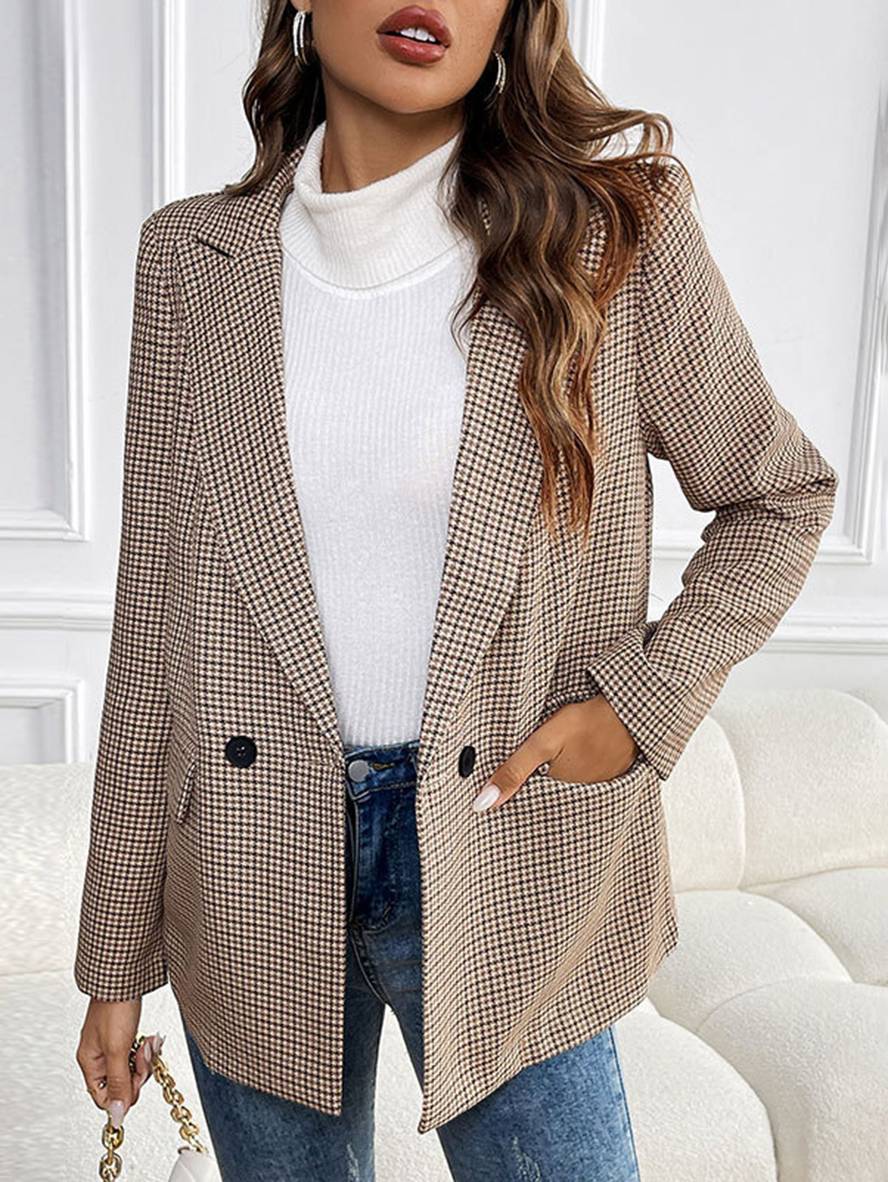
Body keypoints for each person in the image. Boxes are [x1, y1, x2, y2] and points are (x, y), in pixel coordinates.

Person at [74, 1, 839, 1178]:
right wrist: (115, 963)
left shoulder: (612, 236)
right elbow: (152, 627)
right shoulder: (189, 260)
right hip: (242, 861)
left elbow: (778, 495)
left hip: (505, 841)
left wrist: (640, 702)